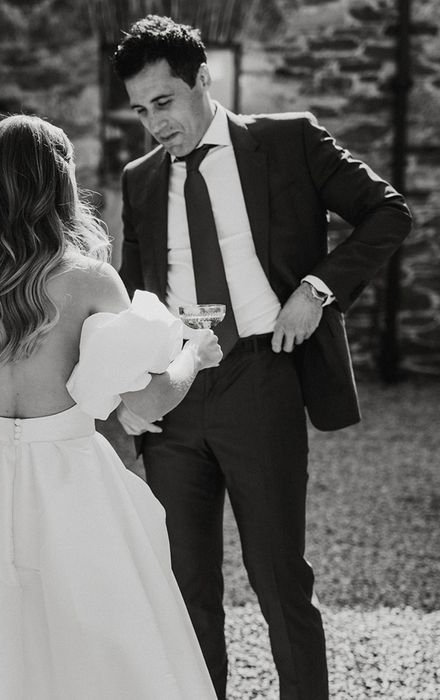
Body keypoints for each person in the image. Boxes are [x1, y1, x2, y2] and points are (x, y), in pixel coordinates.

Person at [0, 114, 222, 699]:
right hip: (72, 481)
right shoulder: (90, 280)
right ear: (59, 184)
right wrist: (193, 354)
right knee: (90, 649)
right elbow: (147, 400)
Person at [111, 15, 412, 700]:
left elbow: (388, 211)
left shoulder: (289, 141)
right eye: (139, 110)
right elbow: (136, 297)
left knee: (280, 580)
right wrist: (134, 390)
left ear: (204, 80)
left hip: (261, 378)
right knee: (185, 588)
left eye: (164, 102)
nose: (153, 123)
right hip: (178, 395)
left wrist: (317, 288)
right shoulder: (140, 179)